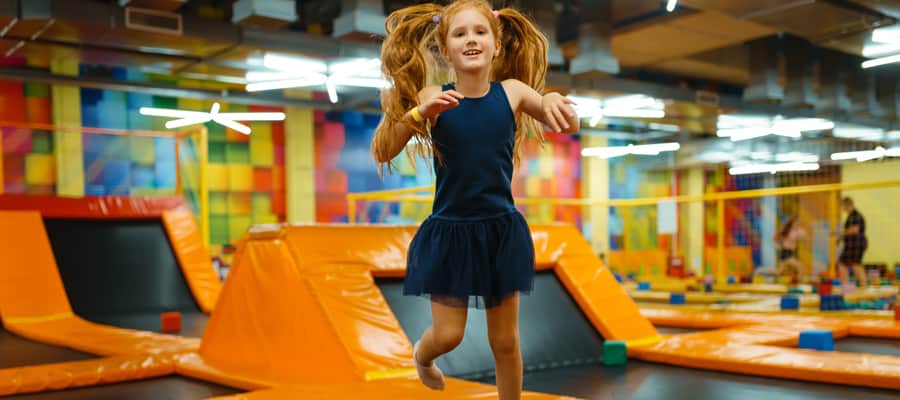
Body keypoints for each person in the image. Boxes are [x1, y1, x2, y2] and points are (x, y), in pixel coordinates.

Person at [370, 1, 577, 398]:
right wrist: (418, 114)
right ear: (445, 50)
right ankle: (422, 356)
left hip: (500, 231)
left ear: (497, 45)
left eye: (480, 32)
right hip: (451, 233)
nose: (471, 40)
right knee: (448, 336)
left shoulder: (513, 93)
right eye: (459, 33)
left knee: (506, 342)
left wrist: (554, 101)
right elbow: (384, 151)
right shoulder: (434, 94)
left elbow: (570, 122)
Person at [838, 197, 868, 286]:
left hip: (856, 243)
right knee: (848, 264)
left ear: (846, 205)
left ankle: (859, 286)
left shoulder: (855, 215)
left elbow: (855, 230)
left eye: (843, 206)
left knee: (854, 264)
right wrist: (841, 236)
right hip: (853, 244)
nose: (842, 208)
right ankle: (850, 287)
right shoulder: (851, 216)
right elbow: (850, 230)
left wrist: (842, 233)